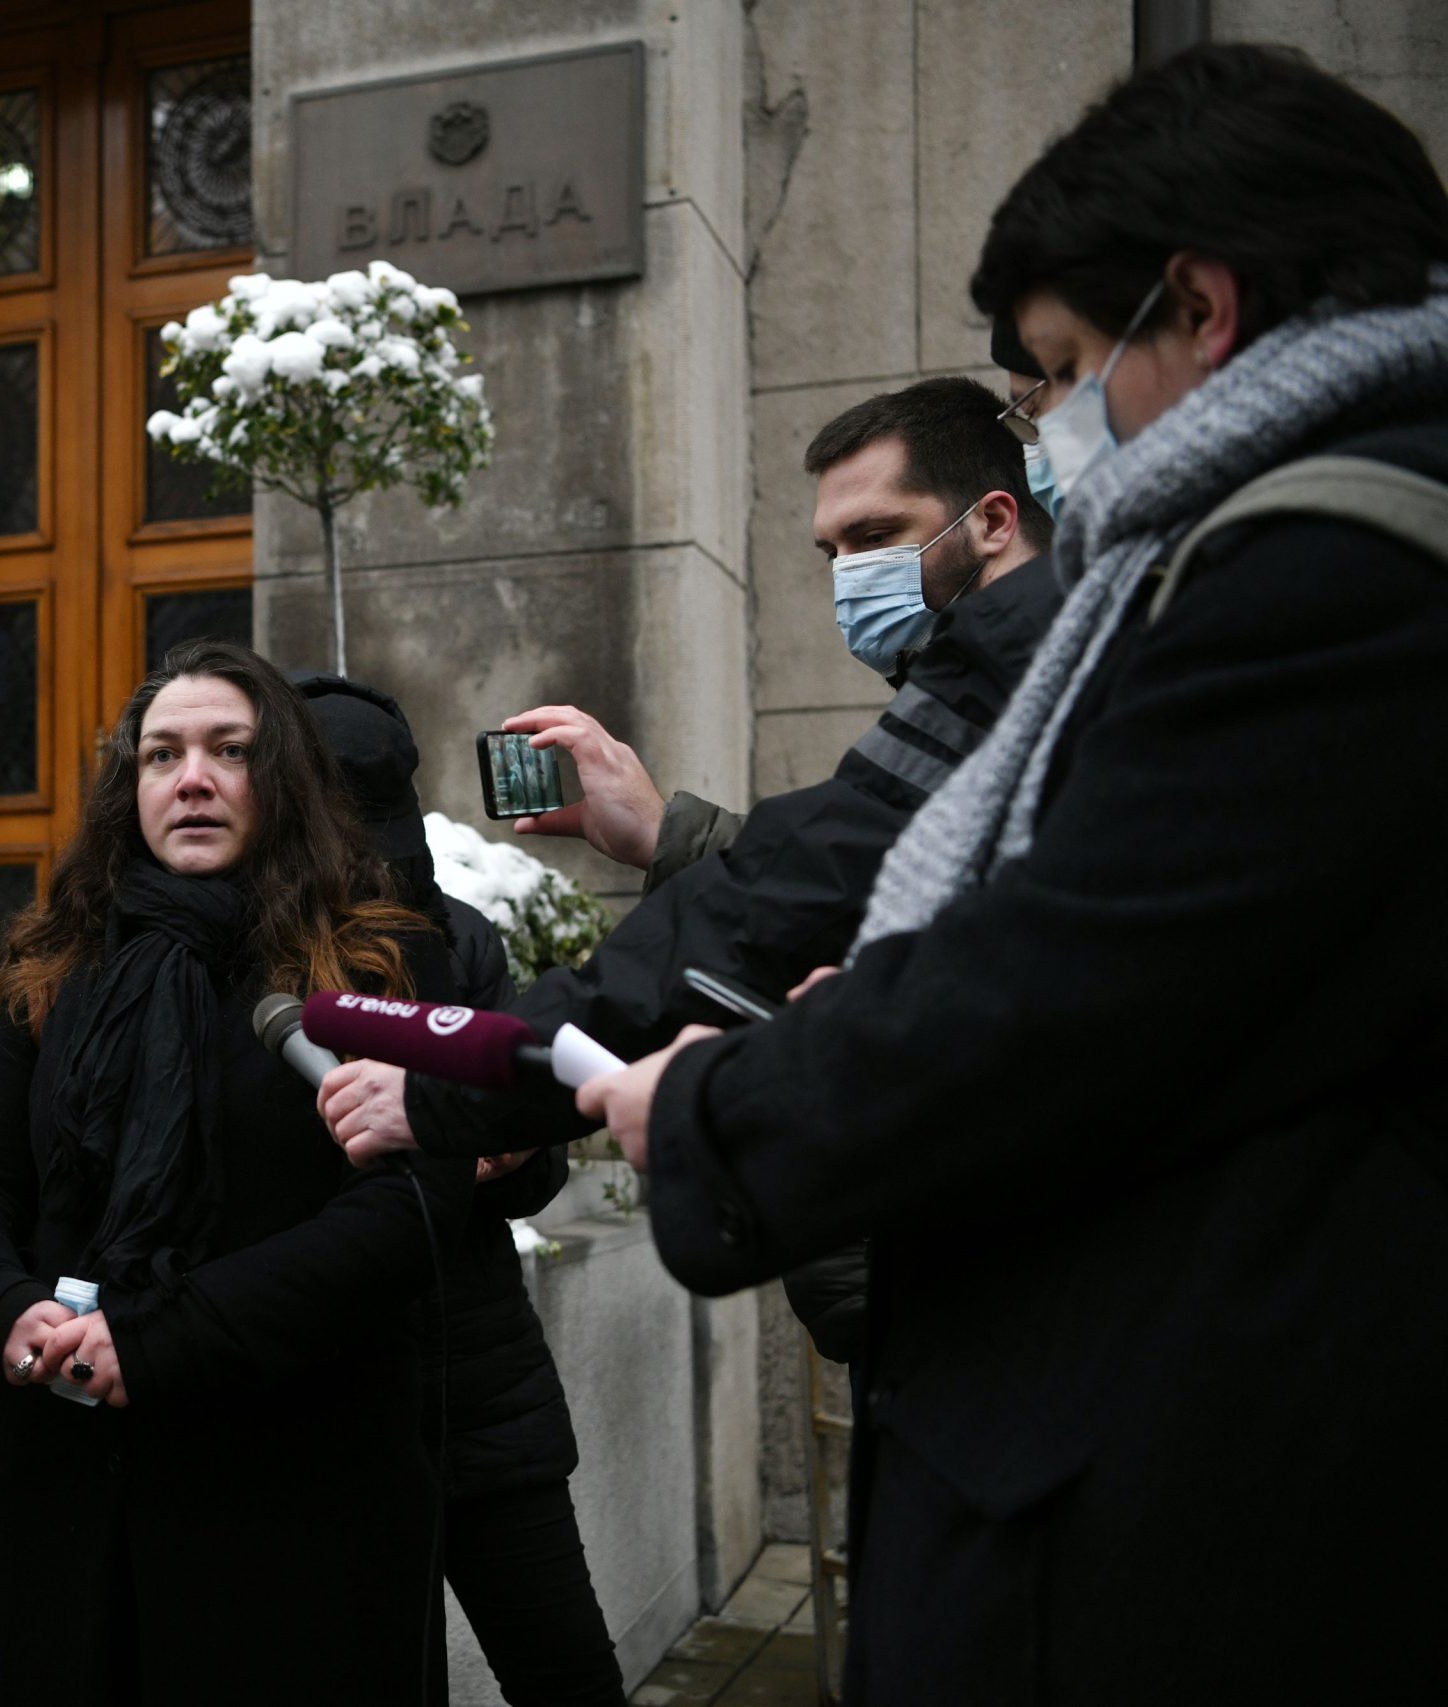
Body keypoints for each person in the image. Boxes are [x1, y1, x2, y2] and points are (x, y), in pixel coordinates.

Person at [573, 45, 1448, 1702]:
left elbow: (1075, 981)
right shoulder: (1247, 547)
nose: (1055, 427)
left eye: (1058, 370)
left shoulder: (1333, 564)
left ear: (1201, 307)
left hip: (1215, 1499)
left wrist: (718, 1101)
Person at [320, 375, 1061, 1371]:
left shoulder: (1031, 671)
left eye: (876, 533)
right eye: (829, 550)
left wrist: (458, 1090)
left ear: (995, 520)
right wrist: (665, 836)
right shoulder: (988, 676)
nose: (847, 571)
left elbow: (771, 915)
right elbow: (843, 877)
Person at [0, 641, 469, 1705]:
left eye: (229, 750)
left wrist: (160, 1339)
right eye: (161, 755)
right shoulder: (58, 964)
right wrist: (4, 1312)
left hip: (295, 1503)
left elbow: (404, 1213)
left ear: (286, 779)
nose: (192, 777)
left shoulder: (378, 963)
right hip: (80, 1506)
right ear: (132, 790)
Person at [296, 673, 625, 1707]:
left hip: (479, 1384)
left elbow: (538, 1139)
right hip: (327, 1392)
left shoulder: (462, 941)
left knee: (564, 1670)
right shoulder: (229, 960)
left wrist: (514, 1152)